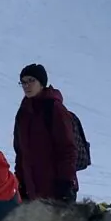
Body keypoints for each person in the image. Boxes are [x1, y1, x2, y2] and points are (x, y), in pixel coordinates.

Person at [13, 63, 78, 203]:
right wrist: (20, 181)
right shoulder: (23, 112)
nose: (26, 86)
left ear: (42, 83)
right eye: (23, 82)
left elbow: (67, 149)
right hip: (32, 190)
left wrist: (66, 183)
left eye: (31, 81)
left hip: (56, 188)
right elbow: (20, 152)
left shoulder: (54, 109)